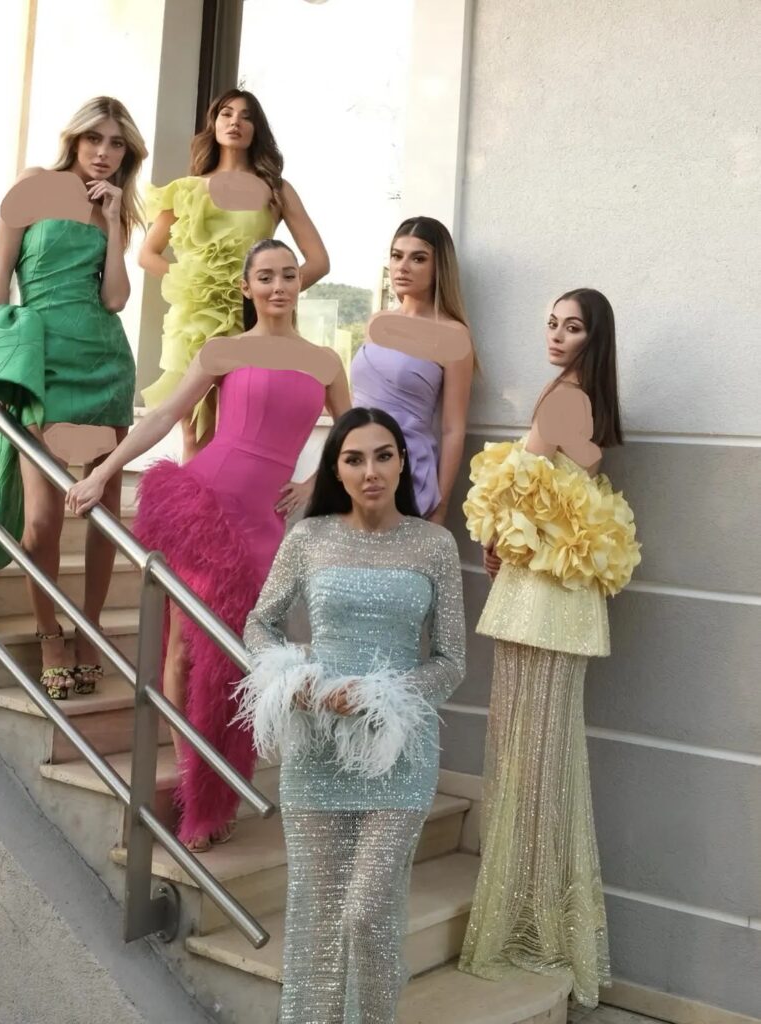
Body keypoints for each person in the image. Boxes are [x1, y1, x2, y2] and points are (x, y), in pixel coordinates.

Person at [67, 238, 350, 850]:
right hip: (205, 507)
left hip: (266, 524)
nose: (279, 286)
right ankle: (193, 781)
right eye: (266, 277)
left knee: (241, 657)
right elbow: (163, 415)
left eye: (289, 275)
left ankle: (218, 785)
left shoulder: (326, 362)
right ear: (247, 288)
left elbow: (351, 437)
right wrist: (102, 472)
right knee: (183, 650)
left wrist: (311, 484)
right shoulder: (224, 350)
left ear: (299, 284)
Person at [237, 406, 466, 1023]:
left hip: (399, 753)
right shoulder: (309, 537)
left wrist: (382, 695)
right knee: (318, 914)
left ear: (403, 463)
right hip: (318, 749)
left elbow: (451, 661)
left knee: (366, 912)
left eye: (384, 455)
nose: (371, 471)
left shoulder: (434, 545)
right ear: (335, 470)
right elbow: (259, 624)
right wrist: (299, 684)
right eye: (354, 458)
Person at [458, 289, 642, 1007]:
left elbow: (512, 485)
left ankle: (524, 924)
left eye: (572, 327)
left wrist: (492, 539)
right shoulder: (587, 402)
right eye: (551, 324)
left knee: (525, 758)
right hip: (560, 598)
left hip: (540, 601)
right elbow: (559, 493)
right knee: (546, 758)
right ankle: (546, 921)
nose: (556, 336)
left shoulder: (564, 399)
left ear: (594, 337)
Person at [0, 96, 147, 699]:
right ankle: (48, 631)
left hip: (103, 366)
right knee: (41, 518)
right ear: (74, 139)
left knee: (103, 510)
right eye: (95, 139)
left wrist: (113, 222)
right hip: (43, 366)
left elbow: (115, 299)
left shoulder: (114, 208)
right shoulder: (34, 184)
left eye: (116, 144)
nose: (104, 153)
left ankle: (88, 628)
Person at [139, 88, 329, 461]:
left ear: (257, 129)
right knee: (194, 434)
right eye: (226, 114)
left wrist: (270, 296)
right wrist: (191, 283)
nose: (235, 122)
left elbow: (318, 261)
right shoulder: (186, 189)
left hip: (250, 321)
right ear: (214, 124)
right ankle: (192, 501)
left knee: (243, 427)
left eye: (246, 116)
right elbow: (148, 254)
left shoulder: (276, 190)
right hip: (194, 321)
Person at [351, 216, 475, 523]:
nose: (402, 267)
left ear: (438, 267)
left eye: (418, 258)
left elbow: (453, 429)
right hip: (354, 467)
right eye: (397, 256)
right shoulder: (377, 322)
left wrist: (441, 508)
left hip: (407, 472)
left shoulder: (453, 335)